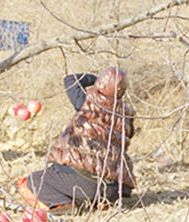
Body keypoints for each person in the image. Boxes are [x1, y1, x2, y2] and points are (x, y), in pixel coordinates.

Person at [18, 66, 136, 211]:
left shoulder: (87, 103)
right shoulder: (127, 116)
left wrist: (94, 78)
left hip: (87, 185)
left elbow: (71, 81)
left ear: (101, 84)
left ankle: (66, 206)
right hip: (114, 190)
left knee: (34, 180)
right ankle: (98, 202)